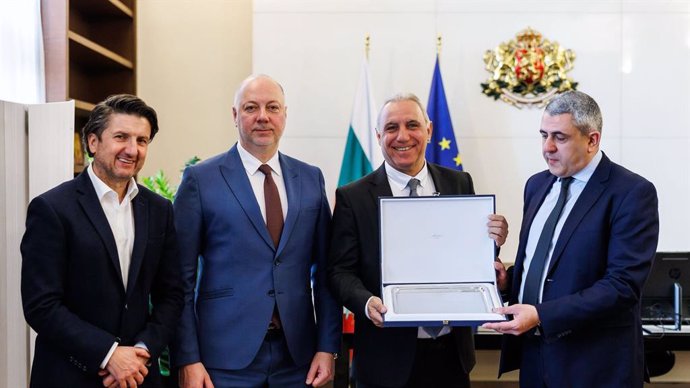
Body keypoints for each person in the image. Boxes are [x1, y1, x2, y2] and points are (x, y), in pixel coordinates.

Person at [328, 93, 508, 388]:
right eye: (391, 128)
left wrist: (494, 241)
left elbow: (468, 254)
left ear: (429, 130)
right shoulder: (353, 197)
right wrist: (366, 301)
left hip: (451, 356)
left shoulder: (460, 182)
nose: (402, 136)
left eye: (412, 125)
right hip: (384, 360)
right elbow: (339, 272)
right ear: (377, 135)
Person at [171, 74, 341, 388]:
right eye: (251, 107)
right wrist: (188, 358)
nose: (262, 116)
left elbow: (327, 273)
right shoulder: (200, 180)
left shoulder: (310, 178)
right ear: (235, 116)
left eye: (272, 107)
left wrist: (327, 347)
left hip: (297, 358)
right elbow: (178, 279)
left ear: (284, 115)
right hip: (222, 360)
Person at [483, 90, 659, 388]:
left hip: (596, 367)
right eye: (543, 135)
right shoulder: (537, 185)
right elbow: (548, 267)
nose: (547, 148)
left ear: (592, 140)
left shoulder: (631, 192)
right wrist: (507, 282)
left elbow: (622, 286)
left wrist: (541, 314)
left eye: (559, 138)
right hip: (535, 360)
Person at [21, 94, 184, 388]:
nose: (132, 150)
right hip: (69, 375)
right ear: (93, 143)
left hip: (138, 375)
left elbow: (171, 295)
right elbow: (41, 304)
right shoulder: (52, 208)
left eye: (142, 140)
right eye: (121, 137)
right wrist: (108, 355)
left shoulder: (160, 210)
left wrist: (142, 352)